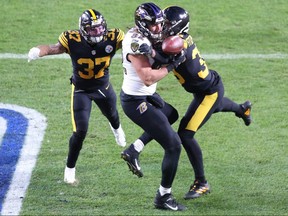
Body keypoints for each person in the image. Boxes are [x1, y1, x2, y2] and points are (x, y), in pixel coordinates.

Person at [122, 5, 253, 200]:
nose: (162, 27)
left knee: (185, 134)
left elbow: (160, 60)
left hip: (208, 93)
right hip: (208, 88)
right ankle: (242, 109)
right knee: (210, 107)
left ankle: (202, 182)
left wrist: (149, 50)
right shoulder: (176, 38)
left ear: (177, 28)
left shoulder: (176, 44)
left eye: (166, 24)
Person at [28, 9, 126, 185]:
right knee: (80, 131)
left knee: (113, 116)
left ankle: (117, 129)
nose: (97, 33)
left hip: (103, 87)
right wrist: (37, 51)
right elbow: (52, 48)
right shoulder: (72, 39)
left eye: (99, 28)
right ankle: (70, 168)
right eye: (92, 29)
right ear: (83, 30)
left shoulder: (115, 37)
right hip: (81, 90)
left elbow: (133, 42)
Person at [120, 2, 187, 211]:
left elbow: (159, 51)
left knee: (171, 115)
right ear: (142, 24)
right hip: (135, 100)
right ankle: (163, 197)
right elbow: (148, 77)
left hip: (147, 95)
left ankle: (134, 150)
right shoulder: (135, 42)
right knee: (174, 145)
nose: (159, 29)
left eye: (160, 24)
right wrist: (172, 64)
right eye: (154, 25)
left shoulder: (152, 32)